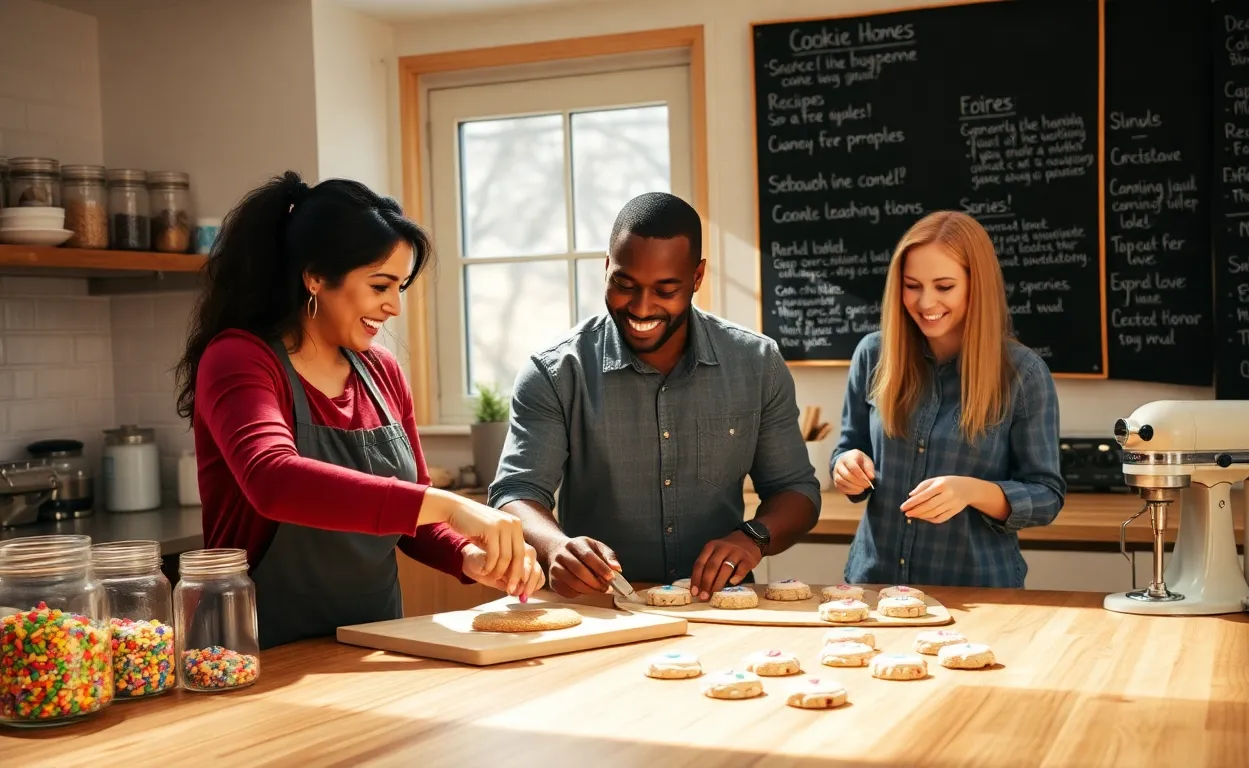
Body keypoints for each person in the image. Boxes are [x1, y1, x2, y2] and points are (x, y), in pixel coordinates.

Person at [175, 171, 541, 649]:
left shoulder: (382, 373)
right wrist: (454, 508)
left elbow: (410, 518)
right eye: (380, 285)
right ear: (315, 277)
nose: (394, 306)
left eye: (400, 288)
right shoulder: (239, 359)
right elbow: (273, 479)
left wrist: (469, 556)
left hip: (375, 642)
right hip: (254, 649)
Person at [488, 192, 821, 600]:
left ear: (697, 278)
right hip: (601, 605)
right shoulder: (555, 372)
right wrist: (555, 545)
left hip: (720, 604)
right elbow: (515, 492)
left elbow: (797, 491)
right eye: (625, 285)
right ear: (607, 267)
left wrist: (751, 537)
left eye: (666, 289)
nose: (641, 308)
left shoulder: (756, 362)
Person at [830, 210, 1065, 588]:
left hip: (978, 592)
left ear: (977, 285)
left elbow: (1047, 497)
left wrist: (972, 491)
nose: (925, 302)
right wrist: (846, 466)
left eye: (943, 287)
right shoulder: (873, 355)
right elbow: (849, 447)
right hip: (874, 588)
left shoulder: (1024, 374)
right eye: (912, 285)